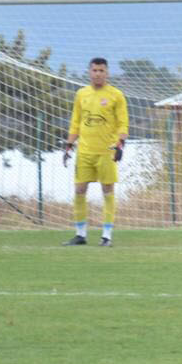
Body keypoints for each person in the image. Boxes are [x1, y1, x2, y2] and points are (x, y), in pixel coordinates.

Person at [62, 58, 128, 246]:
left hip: (106, 151)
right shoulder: (81, 94)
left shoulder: (116, 95)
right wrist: (69, 144)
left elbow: (123, 122)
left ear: (107, 73)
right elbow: (75, 121)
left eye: (101, 70)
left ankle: (106, 235)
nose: (98, 73)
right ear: (89, 72)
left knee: (107, 190)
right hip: (84, 151)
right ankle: (80, 234)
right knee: (79, 189)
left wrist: (120, 144)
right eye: (94, 70)